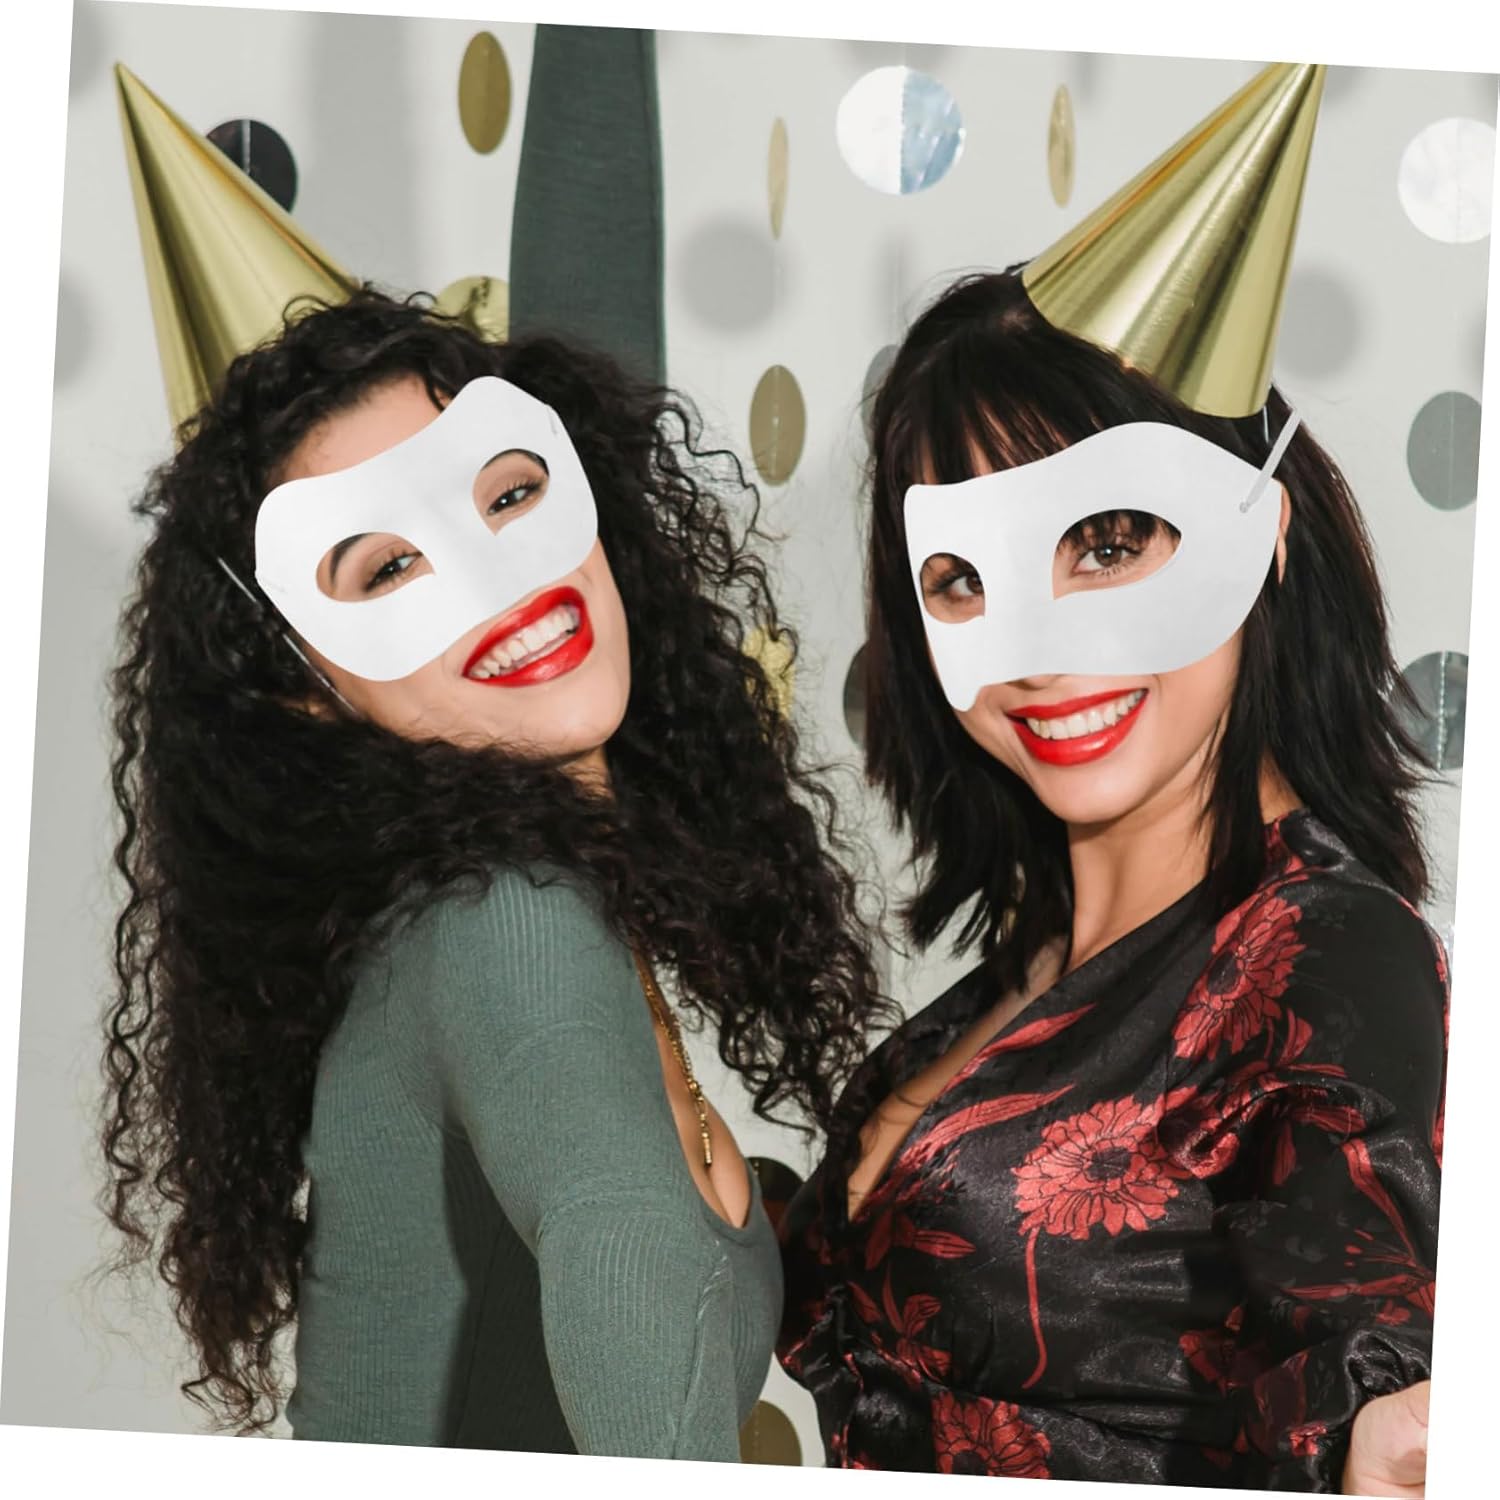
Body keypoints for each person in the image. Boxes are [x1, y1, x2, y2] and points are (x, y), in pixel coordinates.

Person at [777, 65, 1446, 1491]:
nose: (1038, 650)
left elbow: (1387, 1381)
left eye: (1110, 542)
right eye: (964, 578)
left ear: (1263, 534)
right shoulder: (1021, 977)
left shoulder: (1325, 953)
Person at [100, 289, 893, 1455]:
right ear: (302, 689)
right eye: (387, 568)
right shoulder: (506, 917)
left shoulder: (528, 908)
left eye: (511, 495)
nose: (498, 578)